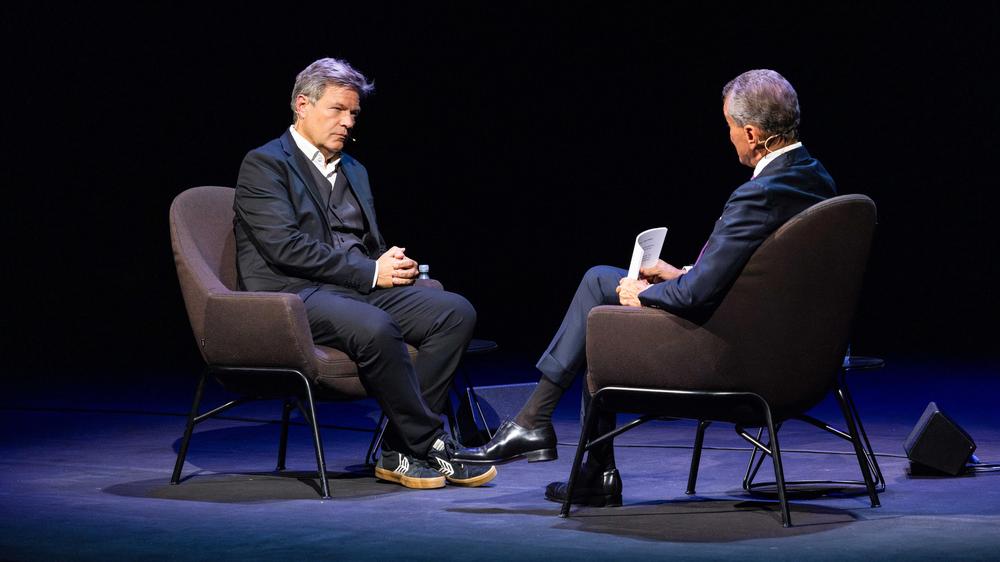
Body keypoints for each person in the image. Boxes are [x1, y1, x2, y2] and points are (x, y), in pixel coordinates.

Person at [454, 69, 836, 506]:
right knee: (601, 278)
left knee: (603, 312)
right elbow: (760, 269)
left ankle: (559, 442)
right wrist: (681, 273)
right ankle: (545, 429)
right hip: (791, 350)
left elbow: (697, 298)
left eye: (728, 127)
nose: (727, 137)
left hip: (736, 360)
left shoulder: (759, 193)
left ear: (751, 133)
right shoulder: (814, 177)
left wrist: (647, 294)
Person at [234, 57, 495, 490]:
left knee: (454, 312)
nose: (347, 121)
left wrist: (389, 262)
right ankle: (429, 442)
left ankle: (398, 447)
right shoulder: (264, 163)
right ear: (302, 104)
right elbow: (286, 247)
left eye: (353, 113)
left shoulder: (354, 169)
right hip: (293, 293)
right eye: (337, 109)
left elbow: (363, 242)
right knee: (375, 325)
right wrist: (370, 269)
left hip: (352, 285)